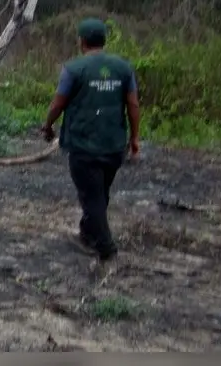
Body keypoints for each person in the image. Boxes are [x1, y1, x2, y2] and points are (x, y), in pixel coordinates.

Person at [39, 18, 140, 265]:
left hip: (83, 145)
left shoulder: (74, 69)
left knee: (92, 196)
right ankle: (87, 234)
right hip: (114, 144)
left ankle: (107, 249)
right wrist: (134, 137)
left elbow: (59, 103)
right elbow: (133, 104)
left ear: (82, 41)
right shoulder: (123, 68)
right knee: (100, 193)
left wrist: (48, 124)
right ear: (103, 40)